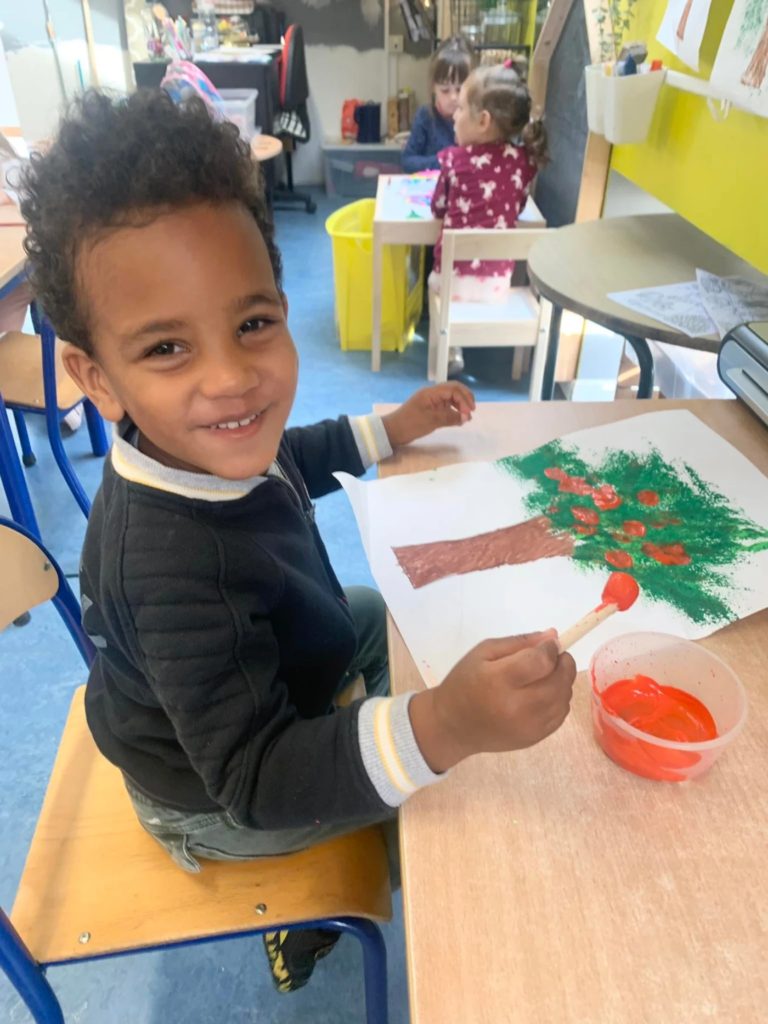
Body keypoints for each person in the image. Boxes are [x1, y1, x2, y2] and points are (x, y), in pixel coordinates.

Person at [20, 90, 575, 995]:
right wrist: (444, 727)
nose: (232, 379)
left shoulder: (208, 439)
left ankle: (384, 723)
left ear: (281, 305)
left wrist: (392, 428)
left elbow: (297, 454)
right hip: (212, 798)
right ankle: (303, 921)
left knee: (375, 612)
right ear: (98, 379)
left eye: (252, 324)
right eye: (166, 349)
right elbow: (256, 779)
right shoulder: (168, 567)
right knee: (441, 811)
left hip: (275, 656)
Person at [430, 62, 550, 305]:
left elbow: (437, 209)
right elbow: (518, 207)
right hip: (496, 288)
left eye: (461, 108)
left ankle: (438, 332)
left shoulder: (453, 160)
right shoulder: (523, 162)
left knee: (432, 285)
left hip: (449, 284)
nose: (454, 115)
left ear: (483, 121)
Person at [401, 35, 474, 174]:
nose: (453, 97)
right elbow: (408, 161)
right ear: (433, 87)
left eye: (460, 89)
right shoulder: (425, 116)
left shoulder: (477, 120)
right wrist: (446, 160)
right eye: (445, 90)